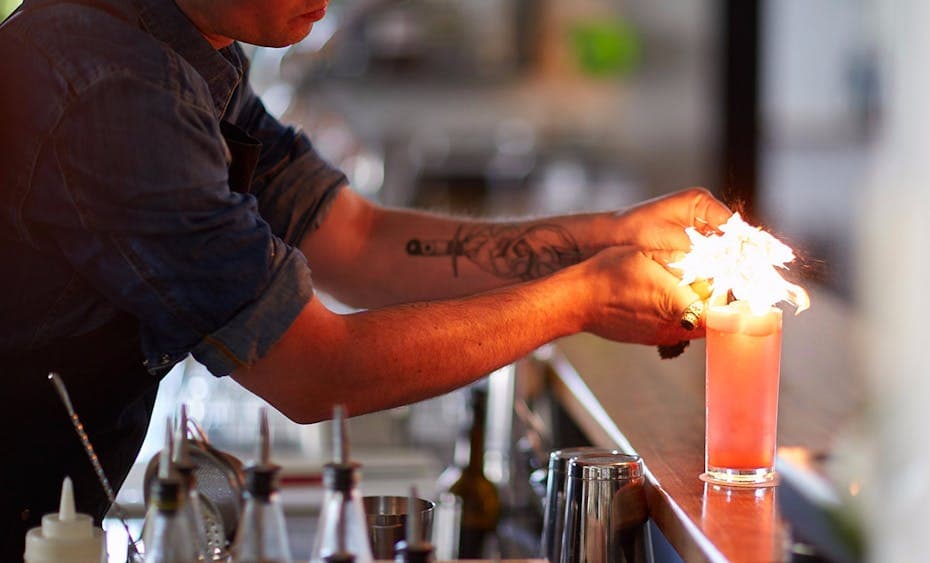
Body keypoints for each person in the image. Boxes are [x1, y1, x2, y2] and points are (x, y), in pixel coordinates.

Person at [0, 0, 731, 557]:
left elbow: (356, 239)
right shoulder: (116, 87)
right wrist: (581, 297)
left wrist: (610, 237)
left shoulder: (189, 53)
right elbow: (315, 370)